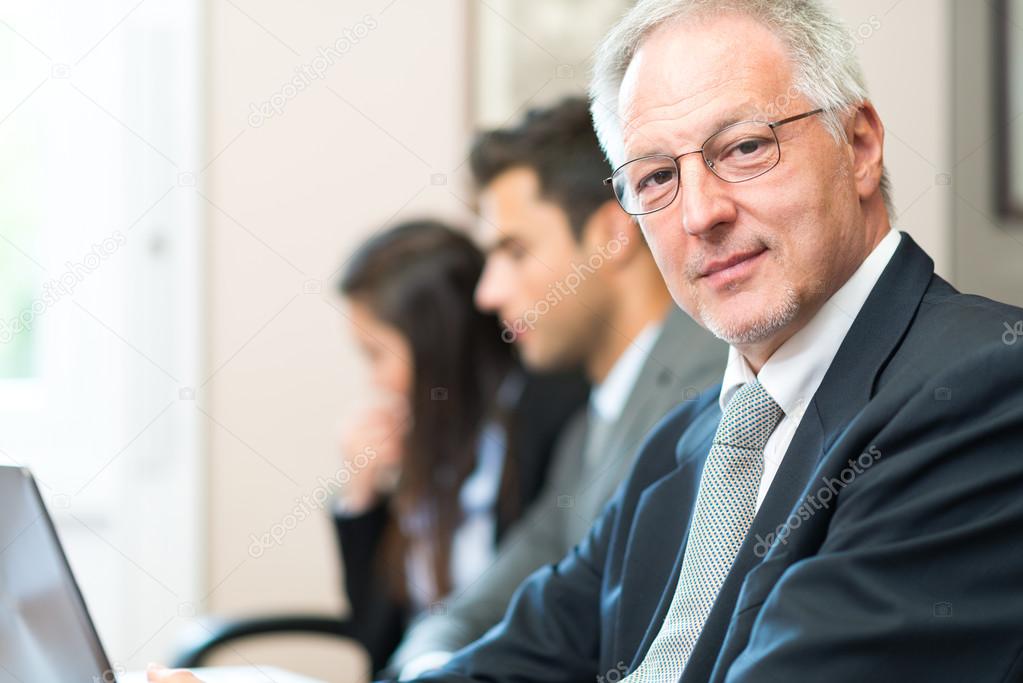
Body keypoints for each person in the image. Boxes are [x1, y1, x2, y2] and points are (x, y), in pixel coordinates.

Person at [394, 1, 1023, 680]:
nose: (699, 213)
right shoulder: (684, 439)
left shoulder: (983, 387)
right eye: (657, 177)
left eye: (745, 147)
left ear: (859, 145)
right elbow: (520, 654)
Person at [388, 98, 726, 678]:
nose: (487, 293)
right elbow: (481, 604)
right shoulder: (587, 426)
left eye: (514, 251)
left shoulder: (713, 393)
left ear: (610, 234)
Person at [327, 219, 589, 672]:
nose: (375, 381)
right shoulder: (426, 443)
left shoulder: (554, 417)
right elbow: (377, 643)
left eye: (378, 355)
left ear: (436, 346)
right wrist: (362, 496)